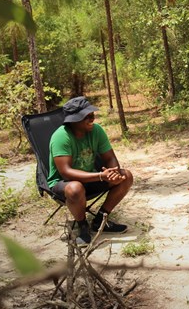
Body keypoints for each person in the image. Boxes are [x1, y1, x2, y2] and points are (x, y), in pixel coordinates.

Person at [47, 96, 133, 245]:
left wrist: (114, 173)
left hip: (91, 178)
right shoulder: (61, 137)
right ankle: (83, 226)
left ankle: (100, 220)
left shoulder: (96, 131)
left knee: (126, 176)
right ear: (73, 121)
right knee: (75, 188)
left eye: (92, 115)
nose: (92, 119)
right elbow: (65, 172)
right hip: (64, 183)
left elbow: (110, 158)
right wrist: (101, 176)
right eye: (87, 116)